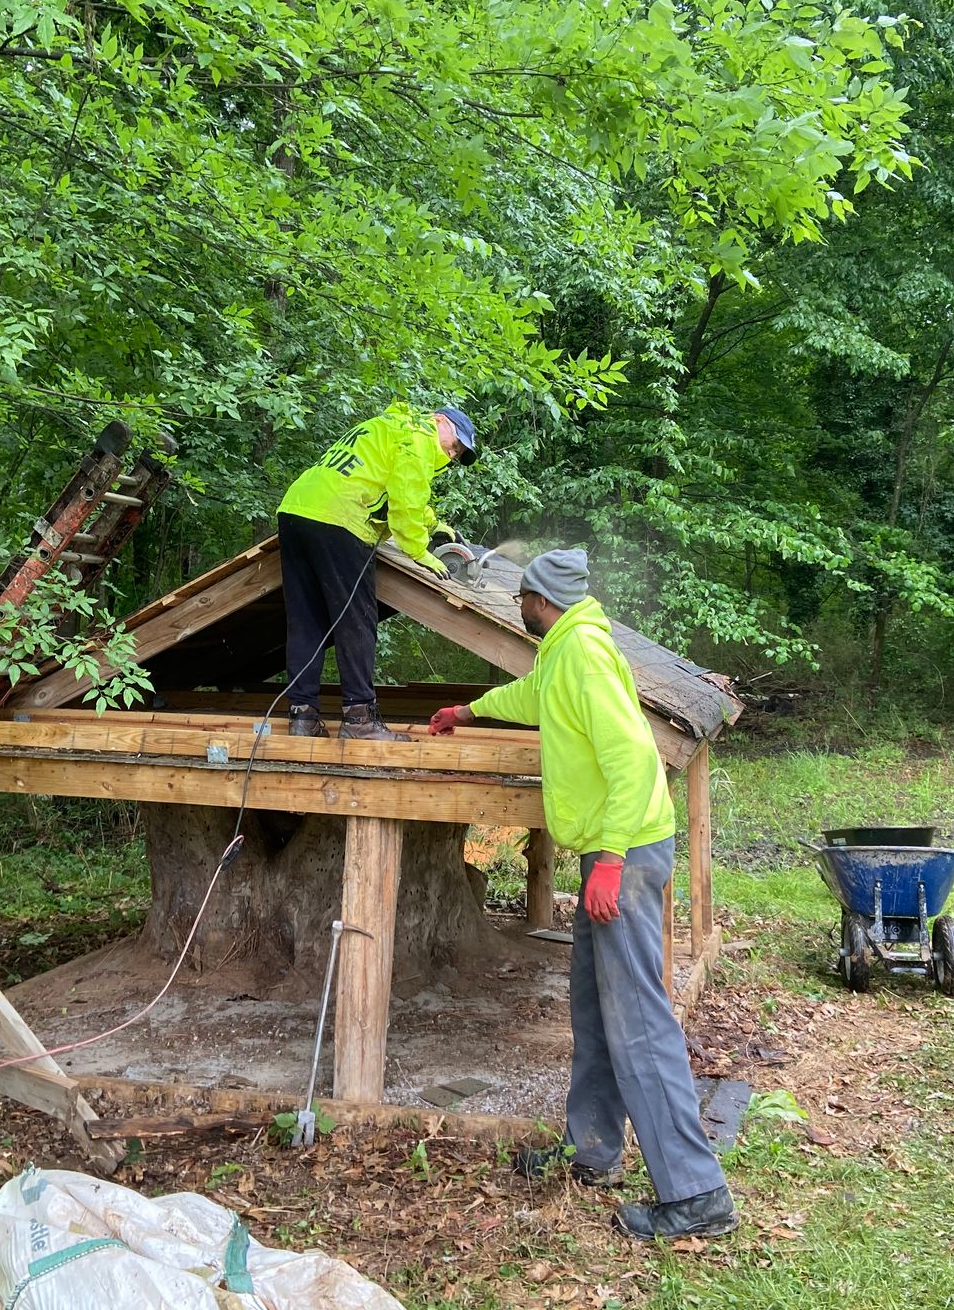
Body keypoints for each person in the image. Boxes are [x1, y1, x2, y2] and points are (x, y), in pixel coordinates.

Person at [429, 549, 737, 1241]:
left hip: (623, 850)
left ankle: (696, 1192)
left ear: (542, 599)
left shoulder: (586, 655)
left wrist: (611, 862)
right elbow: (533, 697)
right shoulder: (565, 650)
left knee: (638, 1019)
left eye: (523, 599)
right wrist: (468, 712)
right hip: (611, 848)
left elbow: (633, 758)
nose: (517, 609)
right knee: (596, 1008)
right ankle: (592, 1149)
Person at [277, 403, 479, 741]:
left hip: (296, 511)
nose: (452, 453)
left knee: (306, 620)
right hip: (341, 518)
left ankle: (303, 718)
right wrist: (421, 551)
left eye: (457, 453)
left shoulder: (390, 427)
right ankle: (359, 720)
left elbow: (391, 487)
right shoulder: (420, 437)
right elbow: (404, 508)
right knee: (356, 620)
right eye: (455, 443)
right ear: (440, 421)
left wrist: (434, 524)